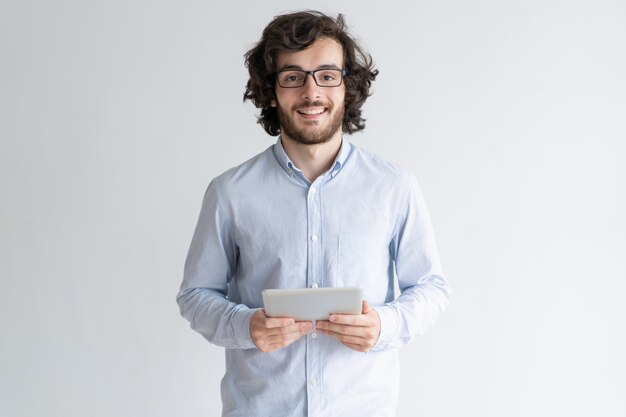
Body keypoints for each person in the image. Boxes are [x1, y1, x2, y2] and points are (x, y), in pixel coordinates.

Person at [177, 10, 450, 417]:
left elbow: (431, 287)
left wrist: (384, 326)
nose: (311, 91)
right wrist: (246, 326)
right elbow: (196, 296)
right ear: (271, 91)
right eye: (292, 76)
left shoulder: (394, 186)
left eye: (326, 74)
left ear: (346, 86)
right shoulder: (229, 192)